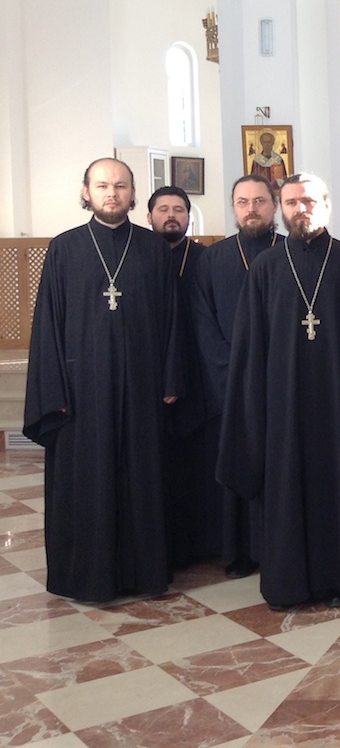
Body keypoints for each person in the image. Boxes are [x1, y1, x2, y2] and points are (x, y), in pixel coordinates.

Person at [218, 172, 340, 610]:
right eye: (291, 202)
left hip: (339, 405)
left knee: (338, 489)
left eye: (308, 201)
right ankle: (286, 584)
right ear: (281, 209)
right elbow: (251, 349)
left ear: (326, 204)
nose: (300, 209)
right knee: (284, 492)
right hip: (282, 407)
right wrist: (254, 408)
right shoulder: (266, 268)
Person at [24, 158, 179, 602]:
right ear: (86, 192)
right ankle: (85, 577)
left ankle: (144, 573)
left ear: (133, 194)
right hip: (81, 392)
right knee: (86, 481)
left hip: (142, 386)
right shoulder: (64, 248)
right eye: (103, 185)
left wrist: (171, 379)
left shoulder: (153, 249)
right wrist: (53, 391)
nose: (112, 192)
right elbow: (48, 325)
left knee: (141, 479)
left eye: (121, 185)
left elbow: (173, 319)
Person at [190, 174, 280, 578]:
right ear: (233, 208)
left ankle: (277, 546)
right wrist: (233, 376)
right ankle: (239, 550)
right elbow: (203, 323)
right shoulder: (213, 259)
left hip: (281, 385)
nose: (251, 209)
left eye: (259, 201)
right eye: (243, 202)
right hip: (229, 386)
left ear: (273, 206)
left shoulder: (289, 252)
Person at [146, 185, 212, 571]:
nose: (171, 215)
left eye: (179, 209)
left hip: (196, 373)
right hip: (149, 376)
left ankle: (197, 545)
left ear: (189, 217)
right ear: (149, 215)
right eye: (163, 209)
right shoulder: (139, 256)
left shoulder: (204, 258)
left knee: (193, 465)